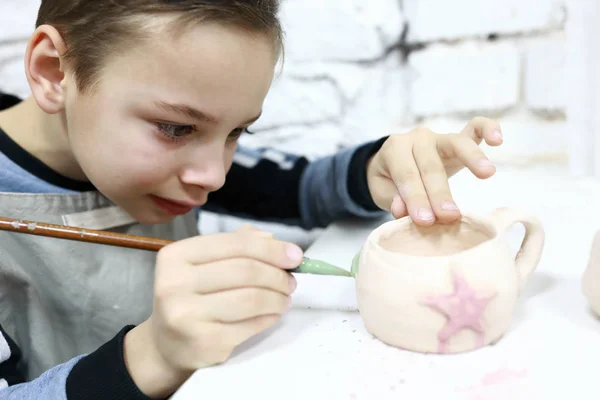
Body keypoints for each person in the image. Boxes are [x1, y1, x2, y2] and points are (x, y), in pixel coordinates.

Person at [0, 1, 503, 399]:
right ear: (52, 72)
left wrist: (378, 169)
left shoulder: (178, 157)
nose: (215, 176)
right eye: (176, 127)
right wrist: (150, 358)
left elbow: (300, 188)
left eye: (237, 130)